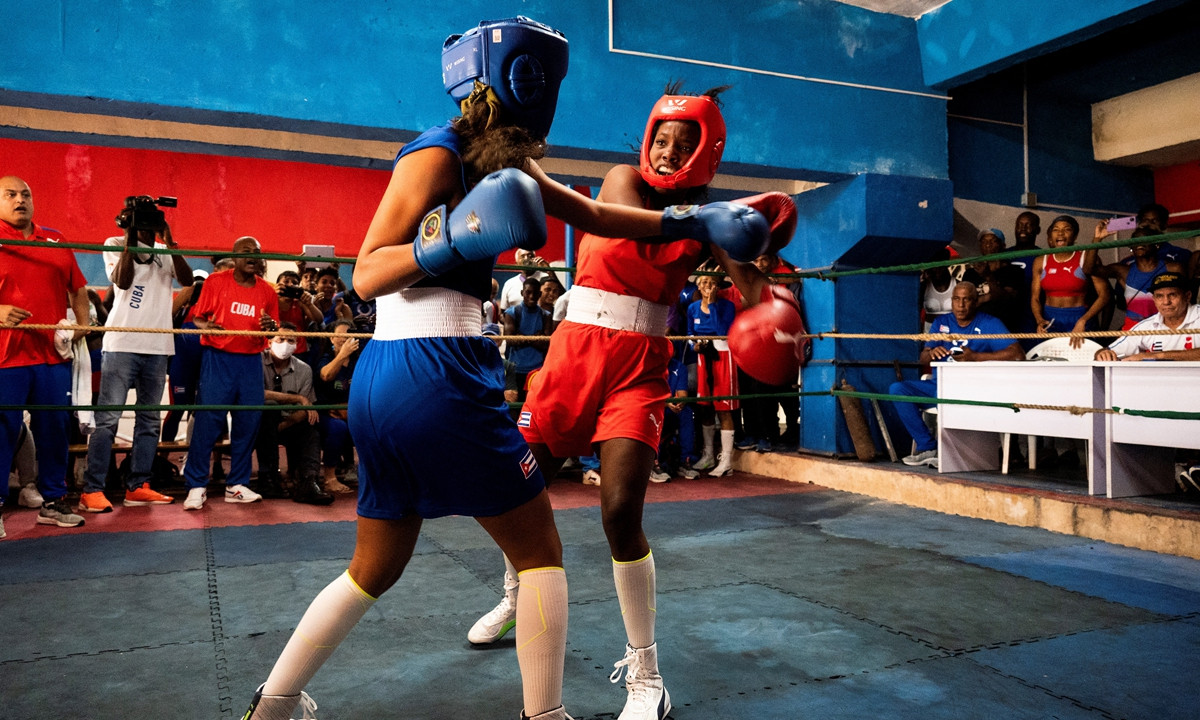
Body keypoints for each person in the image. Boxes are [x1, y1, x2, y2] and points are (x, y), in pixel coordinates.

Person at [239, 18, 771, 720]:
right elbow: (366, 274)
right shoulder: (438, 156)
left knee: (373, 566)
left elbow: (593, 215)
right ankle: (544, 716)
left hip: (386, 383)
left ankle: (272, 705)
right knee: (541, 554)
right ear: (528, 85)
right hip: (438, 372)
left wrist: (691, 224)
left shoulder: (504, 163)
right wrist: (450, 240)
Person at [468, 83, 790, 720]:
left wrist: (775, 287)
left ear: (708, 152)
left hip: (639, 367)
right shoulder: (623, 182)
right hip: (572, 356)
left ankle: (646, 675)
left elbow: (756, 295)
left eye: (683, 144)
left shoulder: (711, 224)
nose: (667, 153)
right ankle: (516, 593)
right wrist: (713, 221)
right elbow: (621, 223)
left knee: (619, 510)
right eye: (661, 139)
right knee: (515, 492)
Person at [76, 198, 193, 513]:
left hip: (157, 346)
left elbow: (187, 280)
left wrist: (168, 241)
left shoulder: (163, 249)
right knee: (108, 419)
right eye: (140, 220)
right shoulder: (114, 242)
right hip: (122, 343)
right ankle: (93, 489)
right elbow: (123, 281)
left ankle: (139, 485)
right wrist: (129, 236)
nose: (145, 225)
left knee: (149, 421)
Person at [0, 175, 91, 535]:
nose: (20, 199)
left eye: (26, 193)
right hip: (6, 355)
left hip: (51, 356)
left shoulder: (55, 239)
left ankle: (53, 501)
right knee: (3, 430)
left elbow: (78, 289)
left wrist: (83, 326)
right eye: (10, 194)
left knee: (54, 429)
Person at [181, 235, 280, 510]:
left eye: (256, 253)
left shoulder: (268, 291)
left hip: (250, 361)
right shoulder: (216, 282)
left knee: (248, 422)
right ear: (235, 257)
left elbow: (273, 330)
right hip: (219, 359)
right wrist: (206, 327)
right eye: (246, 252)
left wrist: (270, 326)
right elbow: (198, 318)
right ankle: (196, 485)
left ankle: (237, 484)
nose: (252, 257)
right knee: (207, 423)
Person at [892, 281, 1025, 467]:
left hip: (969, 388)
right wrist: (931, 354)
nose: (961, 305)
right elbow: (923, 358)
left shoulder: (988, 323)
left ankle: (948, 454)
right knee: (898, 389)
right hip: (938, 385)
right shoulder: (941, 322)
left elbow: (1017, 354)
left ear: (976, 301)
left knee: (944, 395)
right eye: (956, 299)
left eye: (966, 300)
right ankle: (929, 446)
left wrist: (976, 356)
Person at [255, 324, 333, 506]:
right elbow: (256, 394)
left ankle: (309, 482)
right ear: (269, 342)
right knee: (269, 408)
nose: (285, 344)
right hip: (259, 425)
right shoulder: (256, 362)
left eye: (290, 341)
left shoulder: (304, 369)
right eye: (280, 340)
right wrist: (296, 398)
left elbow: (305, 408)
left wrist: (282, 425)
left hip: (287, 423)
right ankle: (268, 479)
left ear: (297, 344)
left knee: (310, 431)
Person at [688, 268, 740, 477]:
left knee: (723, 407)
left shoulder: (727, 306)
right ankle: (709, 454)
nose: (707, 286)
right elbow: (690, 333)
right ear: (698, 286)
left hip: (723, 355)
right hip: (703, 357)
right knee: (705, 407)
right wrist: (695, 346)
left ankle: (726, 460)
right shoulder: (692, 308)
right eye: (703, 283)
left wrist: (711, 305)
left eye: (711, 283)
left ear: (717, 287)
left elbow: (722, 331)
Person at [1030, 215, 1110, 349]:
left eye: (1067, 229)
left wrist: (1083, 320)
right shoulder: (1041, 261)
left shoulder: (1086, 257)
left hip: (1079, 317)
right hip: (1050, 319)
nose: (1060, 233)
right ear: (1051, 234)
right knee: (1052, 363)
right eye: (1056, 229)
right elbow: (1035, 298)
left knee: (1081, 362)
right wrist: (1039, 320)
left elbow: (1105, 295)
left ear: (1075, 235)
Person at [1092, 228, 1184, 330]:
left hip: (1164, 329)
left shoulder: (1173, 268)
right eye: (1136, 241)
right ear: (1131, 246)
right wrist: (1097, 239)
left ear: (1156, 244)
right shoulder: (1123, 271)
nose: (1140, 243)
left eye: (1145, 240)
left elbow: (1185, 299)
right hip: (1133, 330)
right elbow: (1089, 270)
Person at [314, 318, 358, 494]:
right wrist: (342, 355)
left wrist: (349, 409)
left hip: (352, 412)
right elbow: (326, 376)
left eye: (348, 335)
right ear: (331, 339)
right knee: (338, 428)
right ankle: (329, 478)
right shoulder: (324, 358)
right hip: (327, 414)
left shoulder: (359, 361)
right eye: (339, 335)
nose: (343, 338)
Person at [962, 228, 1027, 335]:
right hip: (976, 329)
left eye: (993, 241)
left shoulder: (1014, 271)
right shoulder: (970, 273)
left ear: (1003, 245)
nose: (988, 245)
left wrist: (988, 277)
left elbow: (1007, 300)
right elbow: (965, 303)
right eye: (984, 241)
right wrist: (986, 298)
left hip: (1004, 329)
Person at [503, 277, 553, 407]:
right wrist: (535, 338)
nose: (531, 296)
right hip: (515, 368)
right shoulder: (512, 312)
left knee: (533, 406)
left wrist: (521, 337)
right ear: (522, 293)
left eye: (535, 293)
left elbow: (546, 344)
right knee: (513, 406)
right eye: (528, 292)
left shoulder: (545, 315)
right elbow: (510, 339)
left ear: (539, 294)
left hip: (537, 369)